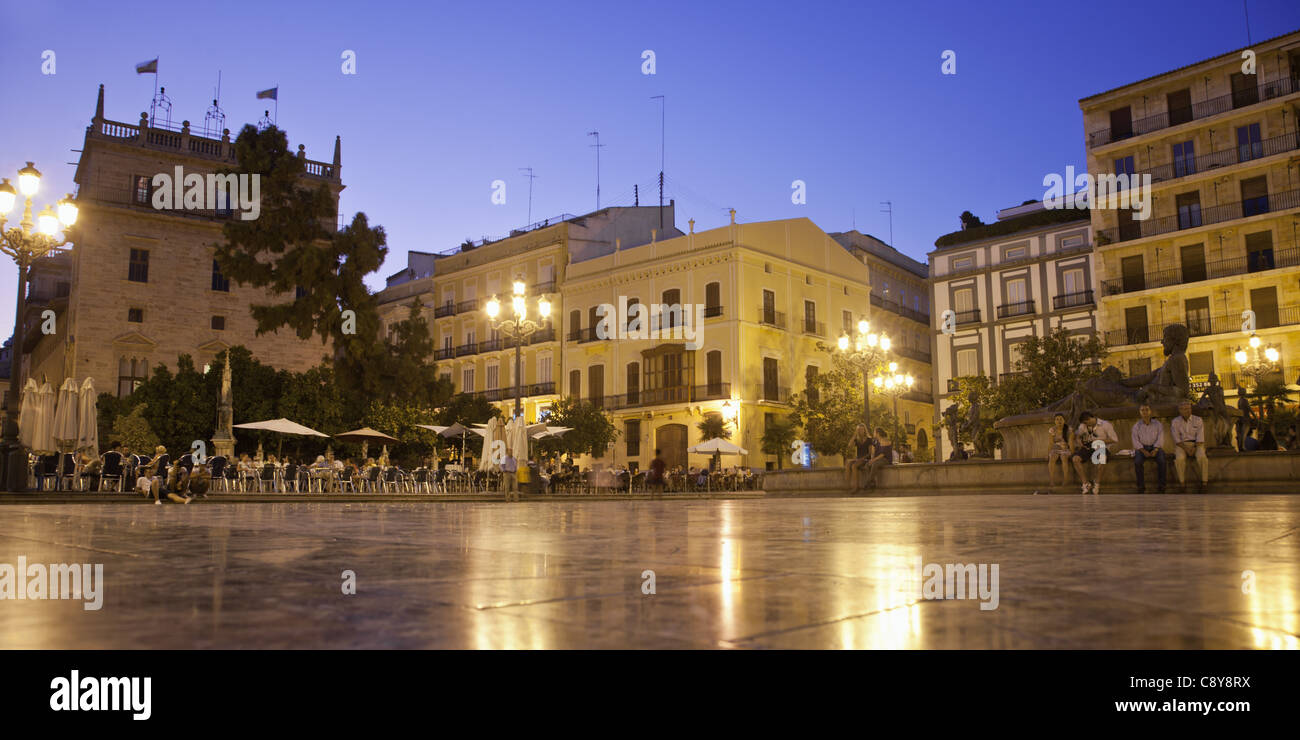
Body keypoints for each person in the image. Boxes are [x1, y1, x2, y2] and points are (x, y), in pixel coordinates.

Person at [1071, 411, 1117, 495]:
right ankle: (1085, 484)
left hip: (1102, 446)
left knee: (1101, 459)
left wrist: (1098, 441)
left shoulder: (1105, 424)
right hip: (1089, 446)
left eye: (1086, 422)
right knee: (1075, 459)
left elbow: (1114, 439)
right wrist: (1079, 442)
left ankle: (1097, 483)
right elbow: (1077, 437)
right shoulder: (1083, 425)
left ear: (1090, 419)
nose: (1085, 425)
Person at [1171, 400, 1209, 493]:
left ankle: (1204, 483)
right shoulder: (1175, 421)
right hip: (1182, 445)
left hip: (1196, 444)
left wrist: (1194, 448)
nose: (1186, 411)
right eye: (1183, 409)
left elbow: (1200, 437)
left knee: (1202, 457)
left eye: (1188, 408)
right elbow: (1176, 438)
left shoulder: (1198, 420)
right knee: (1179, 459)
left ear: (1191, 409)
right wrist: (1186, 449)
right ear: (1180, 410)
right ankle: (1182, 484)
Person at [1131, 403, 1167, 494]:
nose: (1145, 412)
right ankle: (1141, 486)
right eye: (1142, 410)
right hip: (1142, 448)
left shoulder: (1157, 424)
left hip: (1155, 447)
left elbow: (1161, 437)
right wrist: (1143, 451)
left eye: (1147, 410)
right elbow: (1135, 440)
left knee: (1162, 461)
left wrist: (1155, 449)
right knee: (1137, 462)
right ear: (1140, 412)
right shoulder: (1136, 426)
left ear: (1150, 412)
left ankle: (1162, 486)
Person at [1046, 412, 1073, 493]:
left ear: (1064, 420)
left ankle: (1065, 480)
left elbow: (1071, 442)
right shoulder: (1052, 430)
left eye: (1061, 419)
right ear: (1054, 421)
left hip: (1065, 448)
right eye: (1057, 419)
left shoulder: (1069, 429)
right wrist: (1047, 453)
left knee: (1064, 458)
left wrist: (1072, 452)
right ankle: (1051, 480)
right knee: (1052, 457)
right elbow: (1050, 443)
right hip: (1055, 448)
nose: (1059, 421)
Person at [844, 424, 874, 492]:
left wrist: (862, 458)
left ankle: (856, 487)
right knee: (848, 464)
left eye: (862, 429)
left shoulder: (869, 439)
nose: (860, 431)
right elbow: (849, 445)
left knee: (854, 466)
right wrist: (854, 435)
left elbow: (870, 453)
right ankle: (847, 485)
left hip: (866, 459)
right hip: (858, 459)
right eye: (859, 429)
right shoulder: (857, 440)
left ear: (864, 430)